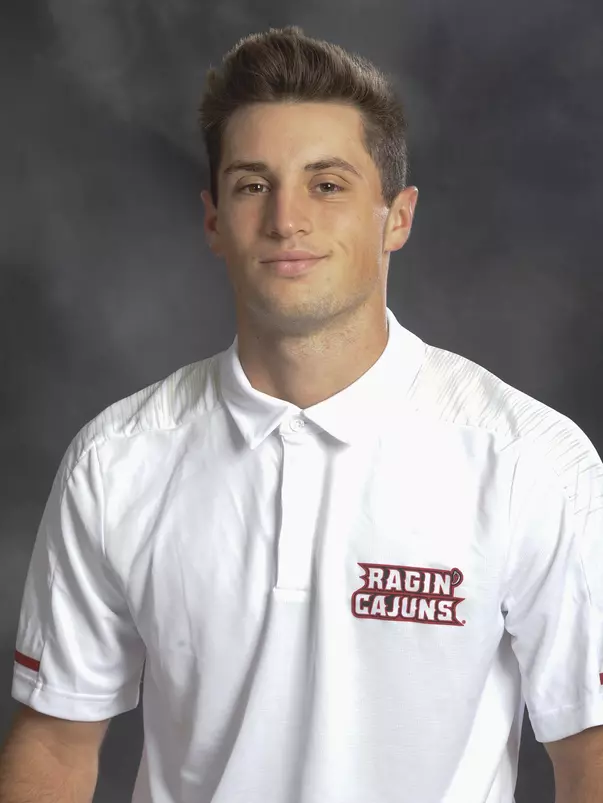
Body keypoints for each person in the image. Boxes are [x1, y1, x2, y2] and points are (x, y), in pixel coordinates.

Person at [1, 23, 602, 803]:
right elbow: (52, 746)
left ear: (397, 216)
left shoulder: (530, 463)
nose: (287, 219)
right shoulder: (115, 461)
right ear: (214, 218)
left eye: (327, 184)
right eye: (253, 184)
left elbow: (589, 753)